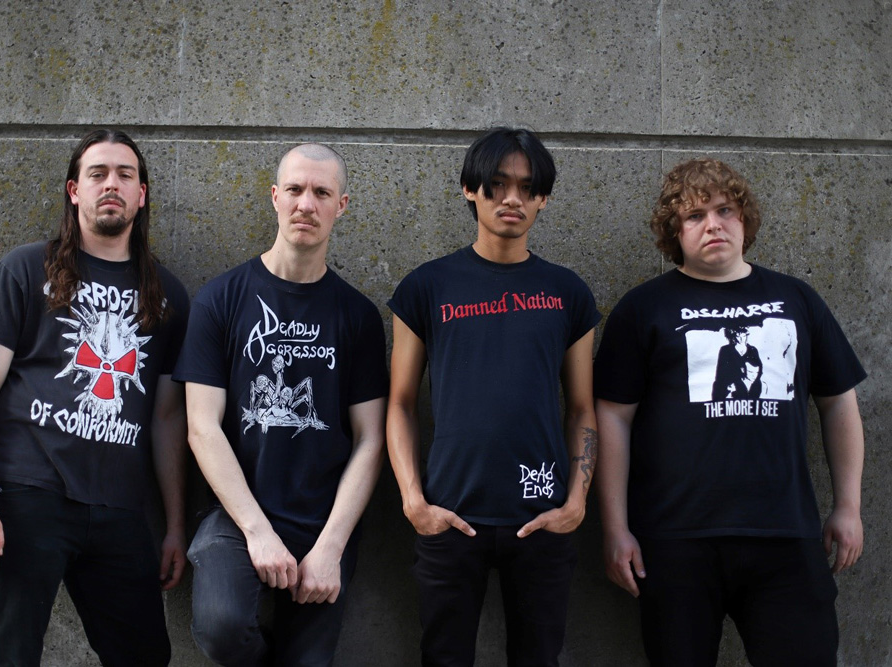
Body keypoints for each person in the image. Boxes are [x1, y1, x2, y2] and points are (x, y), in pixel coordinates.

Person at [595, 158, 866, 666]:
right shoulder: (643, 309)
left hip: (785, 535)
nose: (713, 225)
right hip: (675, 540)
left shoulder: (797, 299)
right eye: (694, 215)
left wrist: (848, 507)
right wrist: (615, 528)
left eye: (725, 210)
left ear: (745, 219)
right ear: (675, 231)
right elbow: (612, 418)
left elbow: (838, 403)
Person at [0, 129, 190, 666]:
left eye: (125, 175)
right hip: (27, 496)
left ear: (141, 195)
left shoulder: (167, 295)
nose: (112, 185)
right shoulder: (25, 269)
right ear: (74, 190)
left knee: (145, 656)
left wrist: (175, 525)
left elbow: (166, 419)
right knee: (11, 654)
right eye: (97, 174)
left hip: (120, 508)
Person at [386, 127, 600, 666]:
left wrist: (576, 503)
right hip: (450, 514)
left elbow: (582, 407)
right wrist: (414, 502)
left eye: (528, 188)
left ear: (543, 199)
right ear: (470, 188)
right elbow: (401, 403)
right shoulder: (426, 287)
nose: (512, 199)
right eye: (498, 184)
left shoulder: (568, 293)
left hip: (542, 515)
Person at [173, 143, 388, 667]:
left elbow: (371, 439)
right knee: (223, 628)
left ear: (342, 205)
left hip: (323, 520)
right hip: (234, 514)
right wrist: (257, 531)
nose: (305, 204)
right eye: (294, 189)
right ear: (275, 197)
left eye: (322, 193)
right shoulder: (221, 299)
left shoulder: (357, 316)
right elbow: (201, 427)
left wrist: (332, 546)